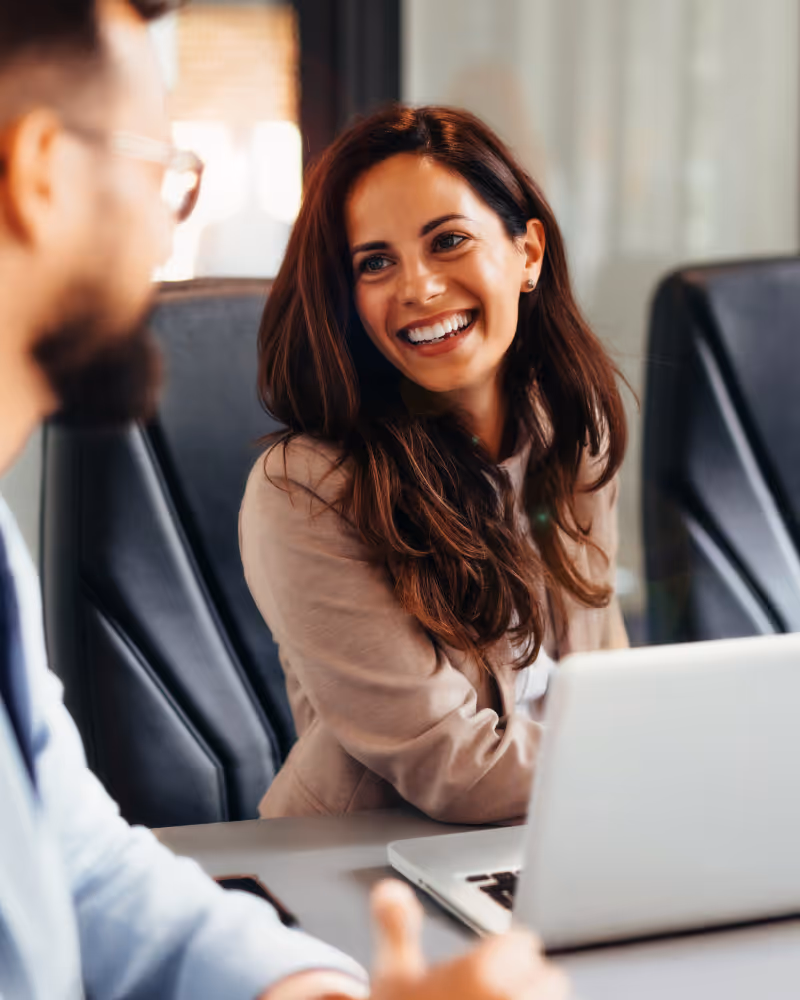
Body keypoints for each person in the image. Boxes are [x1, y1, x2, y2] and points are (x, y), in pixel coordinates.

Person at [0, 2, 569, 998]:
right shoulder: (309, 483)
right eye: (162, 177)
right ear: (44, 173)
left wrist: (320, 990)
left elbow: (82, 867)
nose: (167, 238)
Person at [240, 105, 629, 823]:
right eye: (376, 262)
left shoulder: (574, 430)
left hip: (559, 831)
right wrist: (659, 763)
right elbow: (456, 768)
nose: (416, 287)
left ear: (528, 254)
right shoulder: (305, 491)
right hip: (361, 868)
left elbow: (603, 670)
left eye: (448, 241)